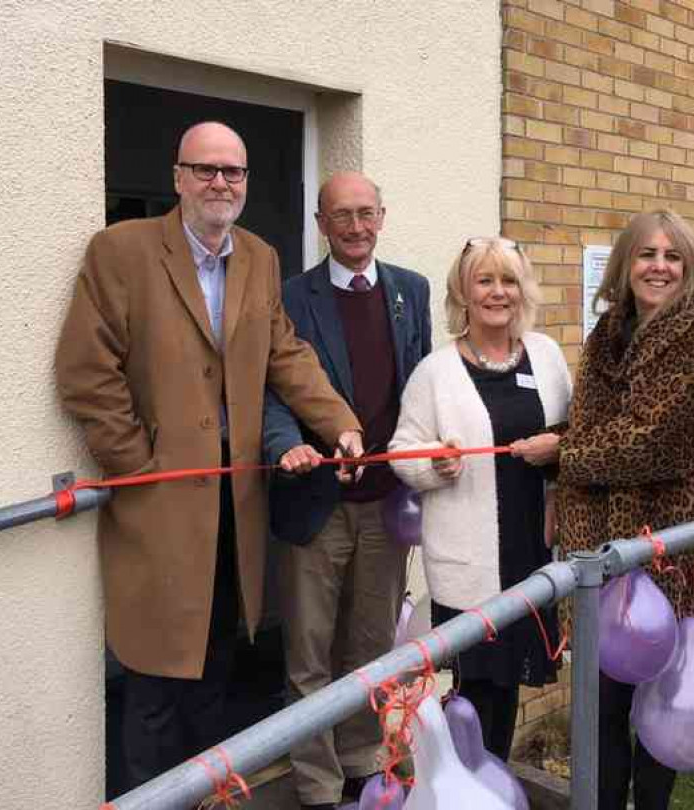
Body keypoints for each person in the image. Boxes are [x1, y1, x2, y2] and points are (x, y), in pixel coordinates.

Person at [55, 121, 363, 790]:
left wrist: (337, 423)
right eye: (205, 169)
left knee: (219, 660)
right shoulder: (121, 252)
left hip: (238, 498)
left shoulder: (258, 256)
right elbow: (85, 369)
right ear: (177, 177)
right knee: (156, 678)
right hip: (161, 498)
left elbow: (286, 354)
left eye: (233, 172)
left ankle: (206, 798)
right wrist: (137, 464)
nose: (220, 182)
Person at [556, 210, 694, 810]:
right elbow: (597, 430)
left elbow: (653, 445)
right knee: (606, 698)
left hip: (675, 543)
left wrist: (563, 456)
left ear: (686, 268)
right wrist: (563, 441)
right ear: (624, 265)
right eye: (646, 255)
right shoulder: (605, 335)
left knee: (663, 698)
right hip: (603, 543)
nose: (658, 267)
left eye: (671, 256)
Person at [262, 171, 431, 810]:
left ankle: (361, 759)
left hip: (388, 506)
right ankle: (317, 784)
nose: (355, 227)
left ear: (382, 217)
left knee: (368, 646)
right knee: (308, 655)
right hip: (315, 505)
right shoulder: (290, 297)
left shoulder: (409, 292)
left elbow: (420, 391)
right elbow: (272, 390)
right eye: (341, 215)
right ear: (320, 223)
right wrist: (286, 448)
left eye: (366, 213)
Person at [389, 237, 571, 762]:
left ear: (523, 290)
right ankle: (466, 786)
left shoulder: (546, 355)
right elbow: (403, 451)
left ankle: (491, 783)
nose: (498, 292)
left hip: (531, 551)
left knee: (508, 688)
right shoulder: (437, 371)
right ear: (462, 295)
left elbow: (574, 430)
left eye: (508, 280)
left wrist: (558, 446)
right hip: (470, 563)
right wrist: (434, 465)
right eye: (484, 281)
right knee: (473, 694)